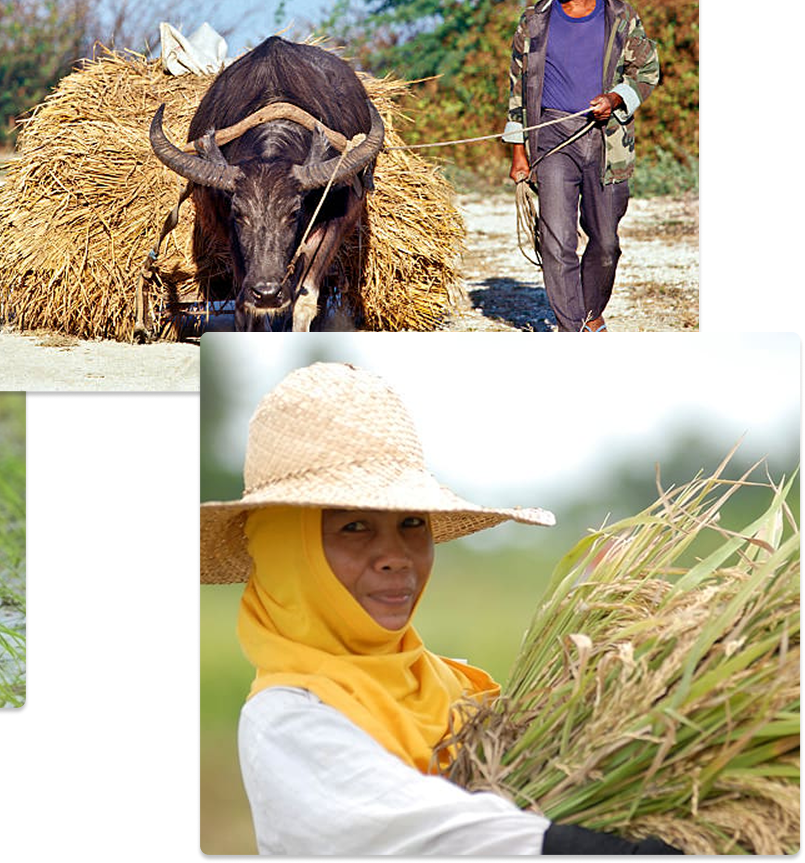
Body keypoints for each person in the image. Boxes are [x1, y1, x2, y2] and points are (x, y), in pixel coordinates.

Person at [201, 362, 683, 855]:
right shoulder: (286, 720)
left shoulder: (455, 691)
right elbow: (439, 834)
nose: (396, 557)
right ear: (287, 553)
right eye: (353, 527)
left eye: (412, 523)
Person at [503, 0, 661, 332]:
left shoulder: (620, 17)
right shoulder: (533, 21)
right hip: (551, 139)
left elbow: (646, 73)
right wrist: (519, 152)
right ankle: (571, 327)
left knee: (605, 244)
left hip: (607, 142)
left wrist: (614, 99)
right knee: (558, 242)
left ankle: (591, 312)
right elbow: (518, 92)